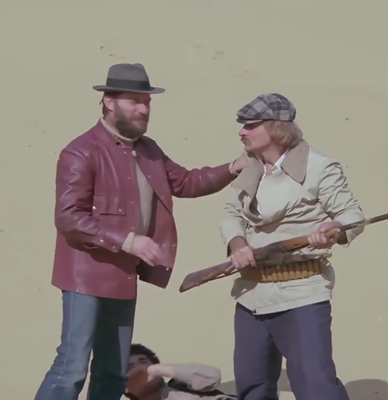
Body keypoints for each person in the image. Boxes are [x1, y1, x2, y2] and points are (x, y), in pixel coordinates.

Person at [34, 63, 248, 400]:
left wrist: (234, 167)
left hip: (123, 277)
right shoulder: (81, 151)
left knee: (112, 370)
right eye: (134, 101)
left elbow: (187, 182)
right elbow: (68, 217)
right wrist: (129, 241)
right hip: (84, 278)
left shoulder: (149, 150)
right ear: (109, 102)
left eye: (146, 102)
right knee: (72, 366)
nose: (144, 109)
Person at [218, 93, 365, 400]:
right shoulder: (251, 167)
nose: (241, 131)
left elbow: (352, 215)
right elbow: (231, 213)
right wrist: (237, 243)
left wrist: (333, 229)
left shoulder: (319, 167)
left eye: (251, 125)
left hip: (301, 294)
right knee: (252, 387)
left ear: (276, 127)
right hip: (250, 292)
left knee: (316, 387)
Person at [124, 343, 238, 400]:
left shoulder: (182, 384)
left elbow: (212, 377)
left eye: (143, 362)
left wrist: (158, 369)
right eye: (130, 368)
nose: (139, 369)